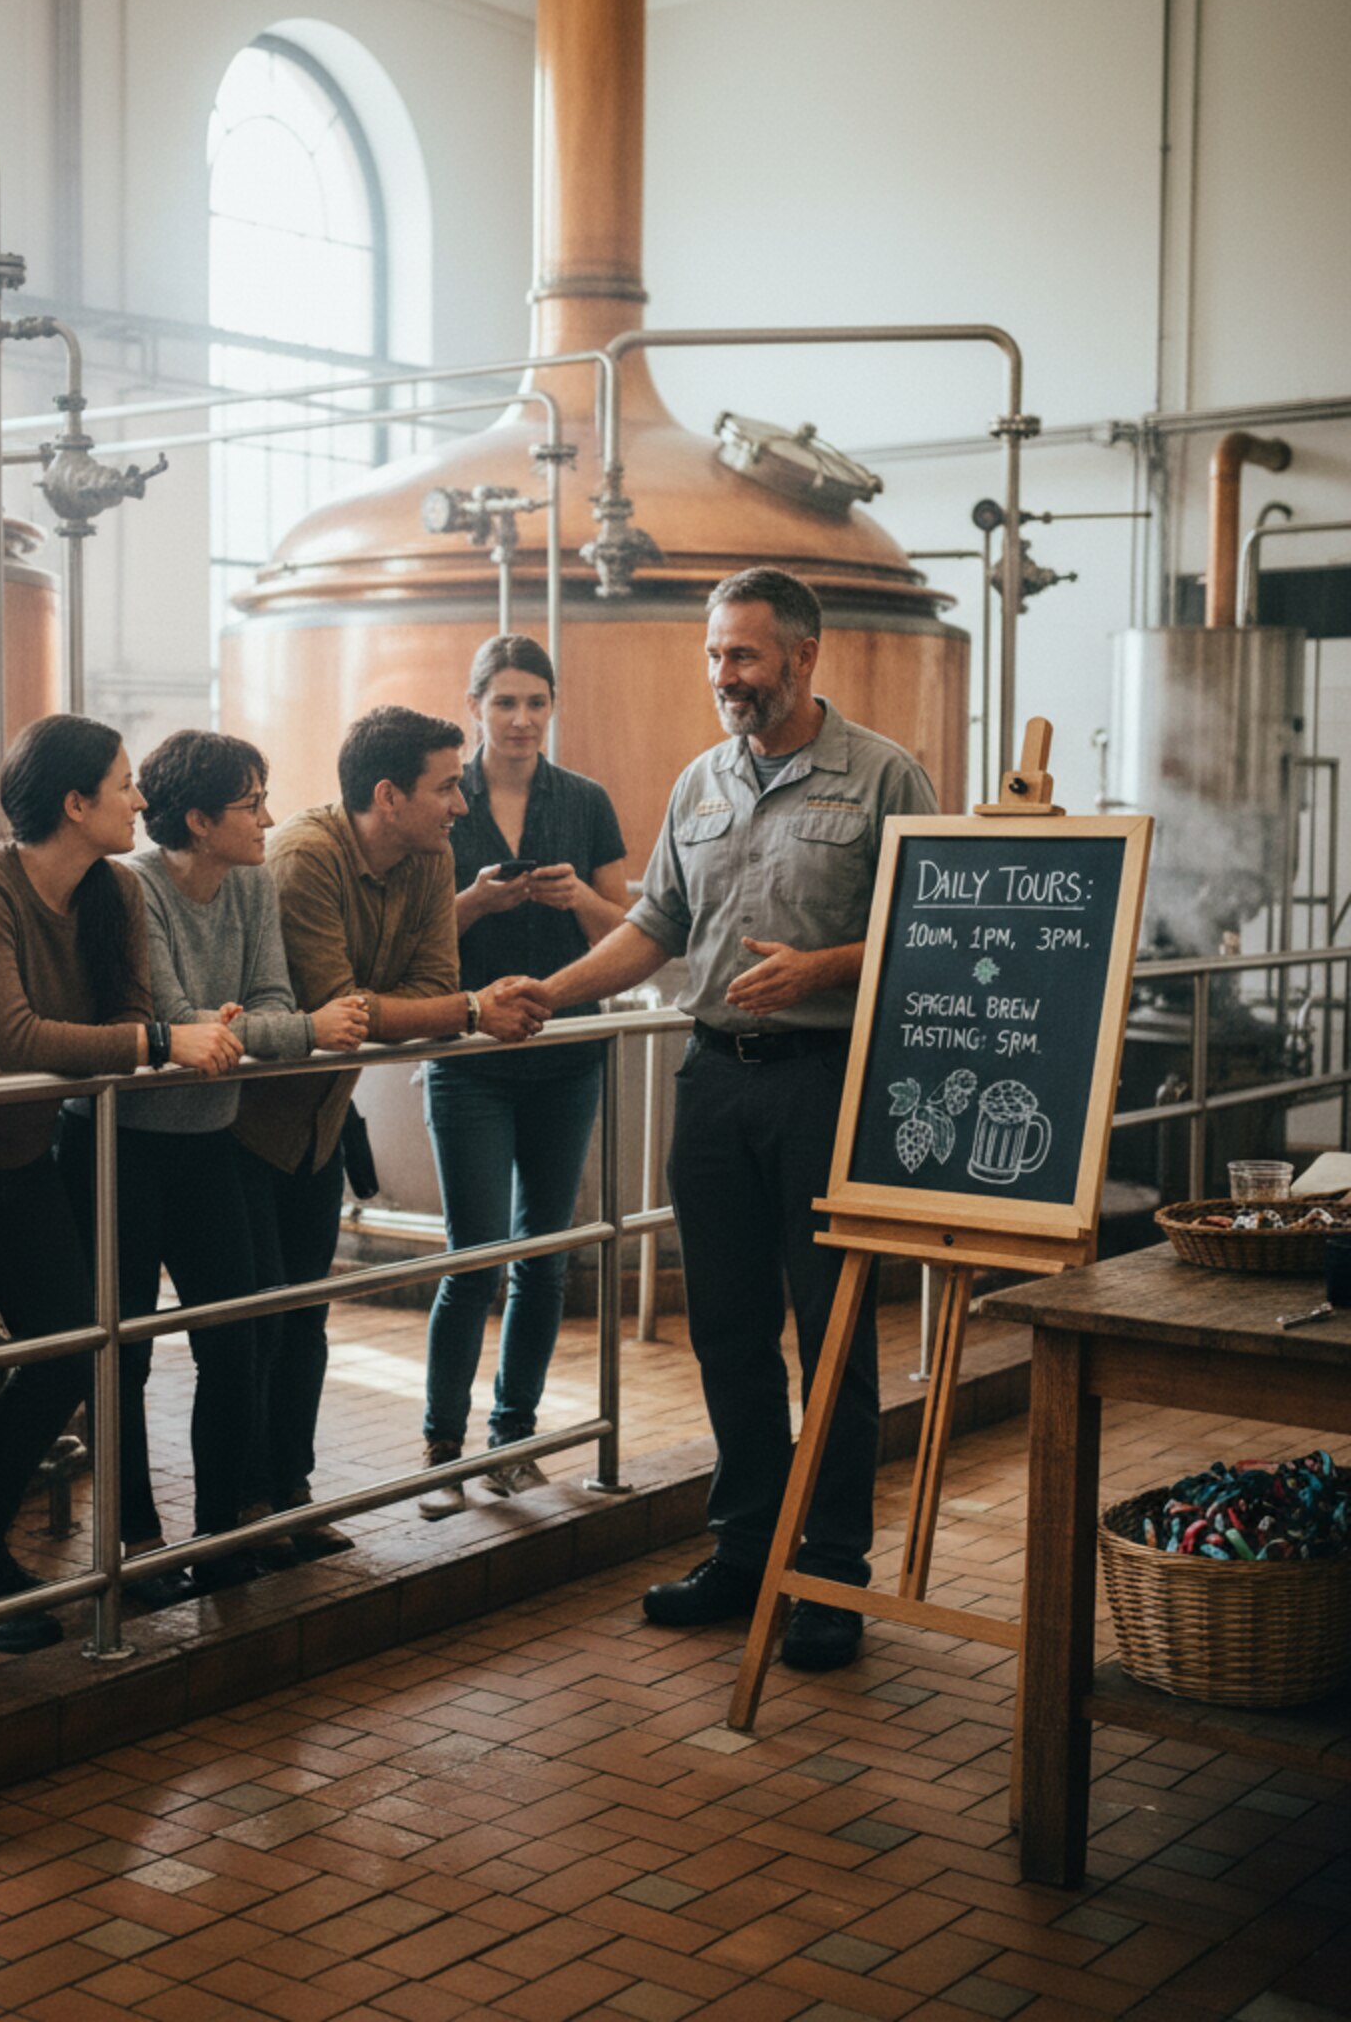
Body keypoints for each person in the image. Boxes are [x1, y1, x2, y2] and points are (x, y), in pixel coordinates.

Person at [519, 567, 936, 1672]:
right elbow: (655, 926)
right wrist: (549, 994)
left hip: (824, 1080)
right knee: (728, 1332)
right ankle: (746, 1551)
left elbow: (933, 929)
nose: (724, 676)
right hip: (713, 1082)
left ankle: (830, 1575)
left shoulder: (883, 774)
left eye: (743, 655)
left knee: (832, 1337)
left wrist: (824, 965)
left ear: (803, 656)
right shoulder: (700, 781)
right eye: (714, 655)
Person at [0, 715, 240, 1650]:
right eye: (124, 784)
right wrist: (75, 1045)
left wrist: (44, 1051)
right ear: (75, 803)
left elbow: (105, 1021)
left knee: (75, 1347)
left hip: (19, 1150)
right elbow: (38, 1034)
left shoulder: (114, 891)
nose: (140, 800)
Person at [232, 705, 549, 1556]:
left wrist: (420, 1007)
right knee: (249, 1329)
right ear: (387, 795)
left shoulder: (431, 856)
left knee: (306, 1318)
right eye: (446, 787)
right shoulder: (304, 857)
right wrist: (467, 1009)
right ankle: (234, 1521)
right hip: (238, 1131)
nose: (461, 805)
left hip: (319, 1124)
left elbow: (423, 991)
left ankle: (291, 1501)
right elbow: (340, 1007)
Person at [60, 730, 367, 1602]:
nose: (268, 820)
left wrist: (234, 1028)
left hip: (208, 1141)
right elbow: (168, 1022)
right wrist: (269, 1030)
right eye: (251, 804)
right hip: (118, 1143)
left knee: (240, 1337)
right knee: (121, 1351)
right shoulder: (131, 885)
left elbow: (263, 1004)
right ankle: (132, 1544)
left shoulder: (253, 883)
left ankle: (221, 1533)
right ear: (197, 820)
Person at [418, 635, 628, 1519]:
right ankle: (442, 1452)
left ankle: (514, 1441)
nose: (520, 719)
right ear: (475, 707)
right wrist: (476, 901)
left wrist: (579, 898)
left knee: (545, 1255)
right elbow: (408, 943)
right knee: (472, 1258)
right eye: (504, 702)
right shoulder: (442, 802)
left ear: (552, 707)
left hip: (566, 1055)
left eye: (535, 702)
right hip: (469, 1059)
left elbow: (627, 931)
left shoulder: (585, 801)